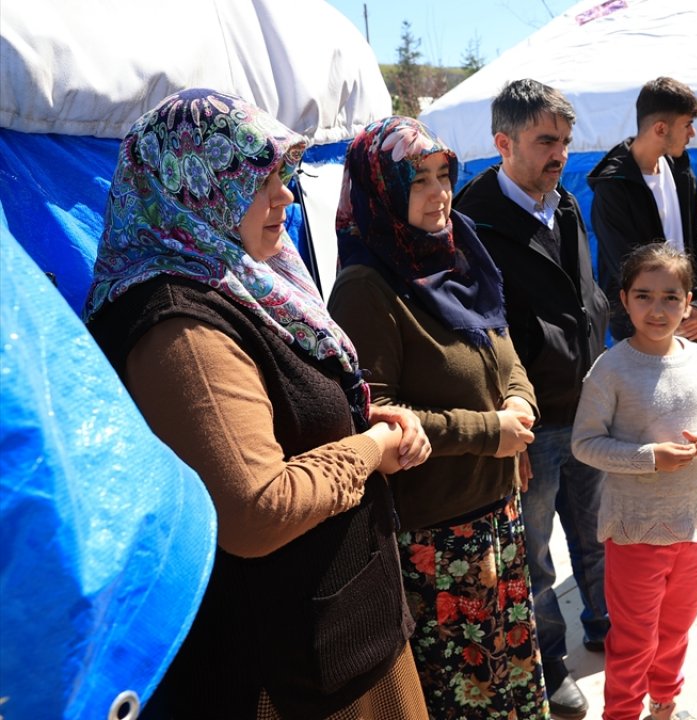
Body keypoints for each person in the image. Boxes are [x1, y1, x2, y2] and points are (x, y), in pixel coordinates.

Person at [83, 89, 431, 718]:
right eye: (257, 178)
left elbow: (285, 413)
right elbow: (255, 511)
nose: (286, 196)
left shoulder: (246, 279)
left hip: (342, 637)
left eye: (283, 175)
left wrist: (358, 420)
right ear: (195, 186)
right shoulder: (181, 326)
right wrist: (370, 448)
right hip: (292, 675)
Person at [326, 117, 548, 720]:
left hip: (497, 522)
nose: (439, 194)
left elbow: (506, 355)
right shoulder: (367, 287)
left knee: (510, 690)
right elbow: (376, 419)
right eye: (417, 180)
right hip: (437, 545)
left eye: (442, 175)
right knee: (464, 700)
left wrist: (520, 405)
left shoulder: (459, 256)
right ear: (381, 191)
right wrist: (490, 433)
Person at [452, 78, 609, 720]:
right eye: (546, 141)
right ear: (503, 142)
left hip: (587, 407)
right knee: (534, 554)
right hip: (532, 420)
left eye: (565, 141)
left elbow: (582, 292)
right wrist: (505, 426)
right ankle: (551, 662)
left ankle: (605, 625)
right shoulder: (472, 221)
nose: (560, 154)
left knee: (597, 535)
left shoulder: (563, 202)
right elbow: (476, 330)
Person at [586, 76, 697, 541]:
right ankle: (649, 525)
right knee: (654, 430)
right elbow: (632, 267)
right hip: (647, 327)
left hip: (689, 315)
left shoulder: (679, 168)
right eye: (686, 125)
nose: (692, 134)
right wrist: (679, 315)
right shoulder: (614, 187)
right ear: (660, 128)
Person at [572, 243, 697, 720]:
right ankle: (621, 713)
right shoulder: (611, 369)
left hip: (693, 524)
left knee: (677, 627)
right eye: (644, 296)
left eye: (670, 297)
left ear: (688, 303)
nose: (657, 310)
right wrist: (649, 458)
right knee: (634, 638)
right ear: (623, 299)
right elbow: (585, 443)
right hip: (636, 531)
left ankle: (664, 704)